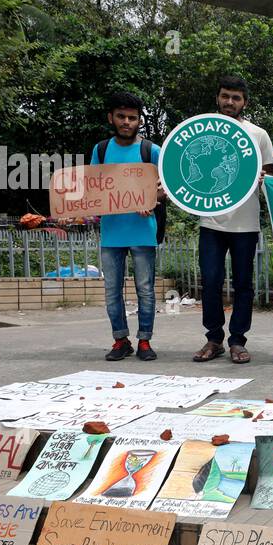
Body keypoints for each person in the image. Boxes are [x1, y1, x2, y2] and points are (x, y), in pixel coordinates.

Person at [191, 75, 273, 365]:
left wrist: (265, 180)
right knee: (211, 281)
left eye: (236, 97)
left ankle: (238, 340)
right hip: (211, 222)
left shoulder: (259, 134)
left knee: (243, 283)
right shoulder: (200, 131)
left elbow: (270, 178)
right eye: (225, 96)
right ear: (218, 98)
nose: (230, 102)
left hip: (246, 223)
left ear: (245, 102)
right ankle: (213, 338)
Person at [92, 91, 165, 362]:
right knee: (112, 290)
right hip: (111, 233)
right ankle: (120, 339)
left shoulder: (152, 151)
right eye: (121, 116)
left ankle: (144, 339)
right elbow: (94, 189)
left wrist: (152, 199)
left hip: (143, 231)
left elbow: (165, 190)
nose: (126, 122)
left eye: (132, 118)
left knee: (145, 288)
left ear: (139, 121)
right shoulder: (100, 150)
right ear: (111, 118)